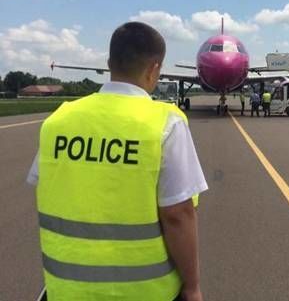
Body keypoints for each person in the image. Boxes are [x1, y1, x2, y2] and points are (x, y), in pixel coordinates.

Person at [27, 22, 207, 301]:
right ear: (154, 69)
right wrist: (192, 286)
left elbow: (46, 183)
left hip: (66, 291)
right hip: (144, 293)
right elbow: (178, 215)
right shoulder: (166, 123)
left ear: (109, 63)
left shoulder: (58, 120)